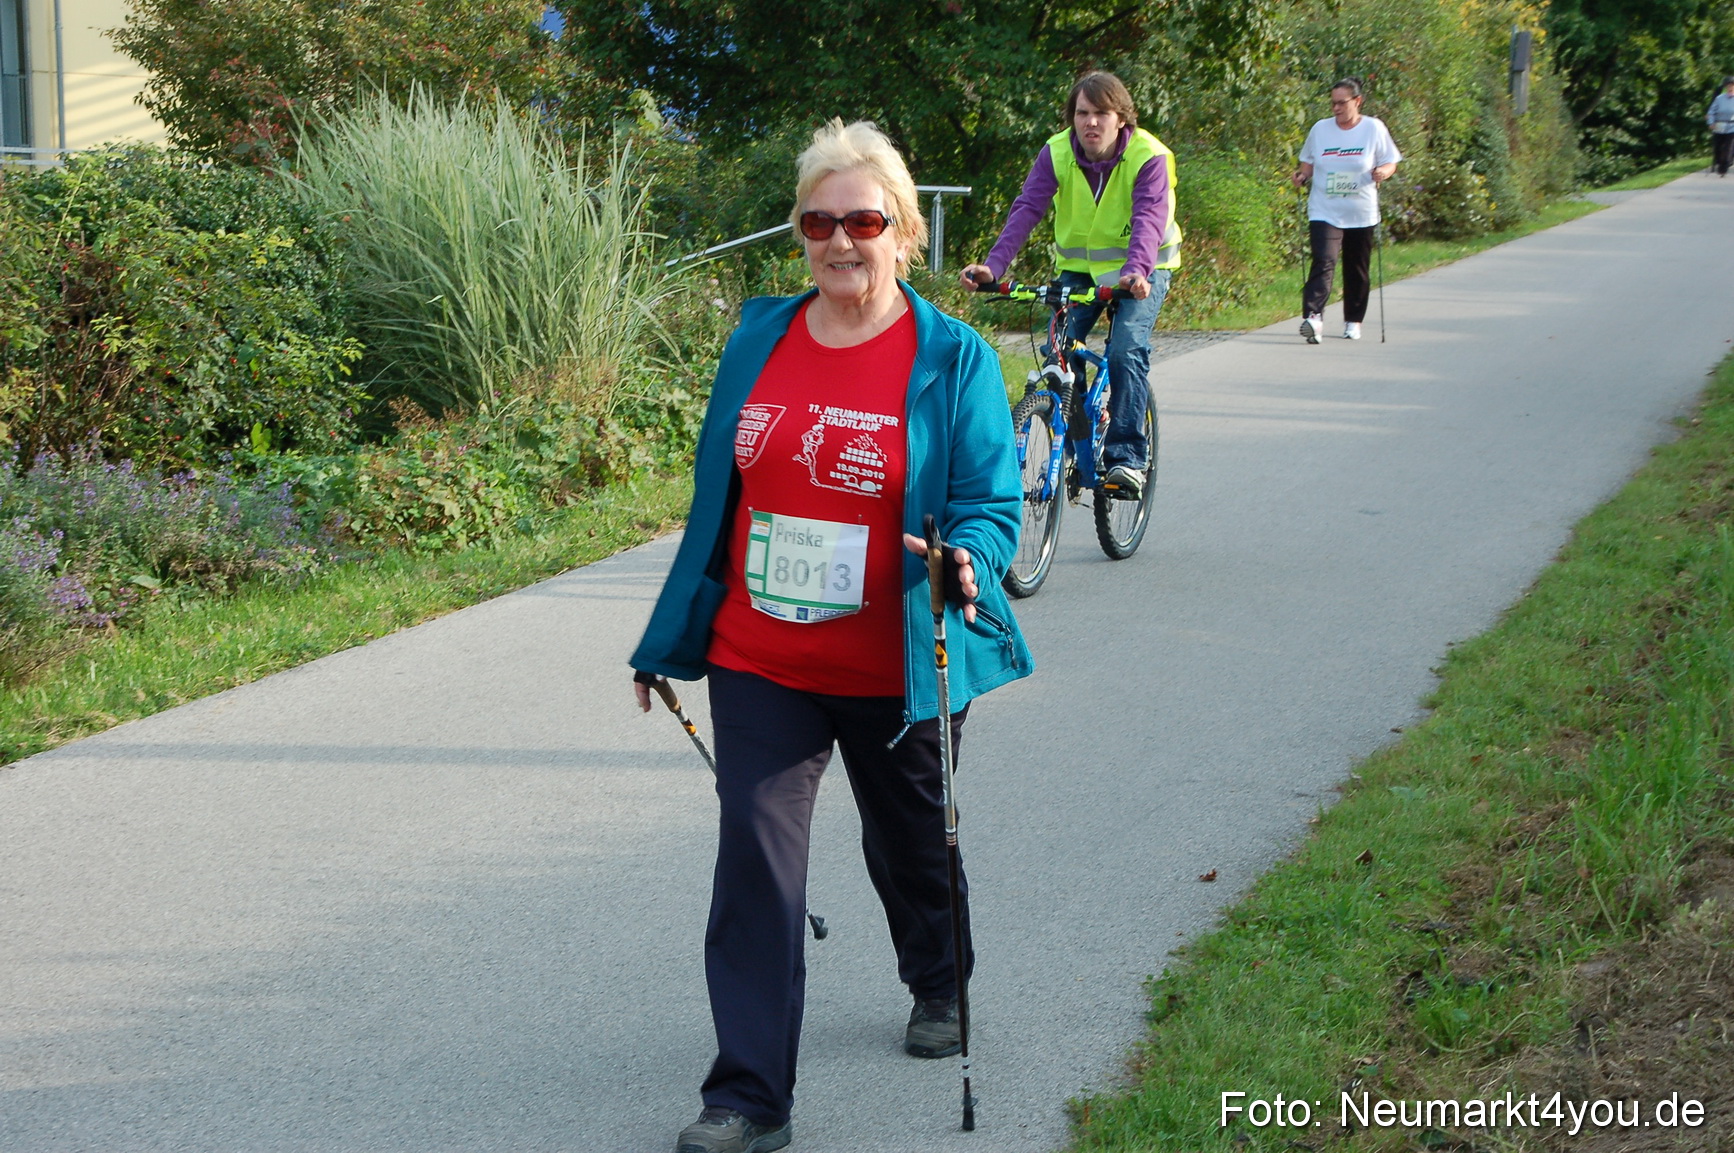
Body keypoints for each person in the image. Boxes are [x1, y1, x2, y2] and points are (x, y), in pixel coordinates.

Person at [629, 118, 1033, 1153]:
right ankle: (748, 1097)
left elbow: (992, 502)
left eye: (863, 220)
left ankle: (938, 978)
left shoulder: (953, 357)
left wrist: (966, 559)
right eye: (818, 222)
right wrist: (668, 636)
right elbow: (717, 503)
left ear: (904, 230)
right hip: (761, 655)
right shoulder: (758, 339)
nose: (840, 240)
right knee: (756, 865)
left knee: (910, 838)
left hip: (895, 661)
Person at [959, 70, 1180, 500]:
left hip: (1143, 269)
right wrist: (993, 267)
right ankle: (1077, 442)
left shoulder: (1148, 156)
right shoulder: (1057, 152)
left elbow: (1149, 218)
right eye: (1082, 113)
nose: (1090, 122)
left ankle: (1127, 458)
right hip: (1080, 270)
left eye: (1101, 113)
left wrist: (1136, 270)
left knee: (1125, 349)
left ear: (1121, 119)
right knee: (1059, 350)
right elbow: (1028, 208)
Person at [1292, 78, 1402, 342]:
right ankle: (1313, 319)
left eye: (1342, 103)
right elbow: (1308, 162)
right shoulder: (1320, 129)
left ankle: (1353, 320)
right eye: (1333, 103)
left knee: (1356, 268)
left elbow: (1391, 161)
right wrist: (1302, 176)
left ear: (1357, 101)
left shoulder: (1373, 128)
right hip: (1324, 209)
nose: (1336, 109)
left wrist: (1383, 172)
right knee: (1323, 261)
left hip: (1360, 211)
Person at [1707, 76, 1734, 177]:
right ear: (1725, 87)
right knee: (1718, 147)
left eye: (1732, 85)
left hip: (1732, 126)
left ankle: (1724, 167)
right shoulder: (1719, 98)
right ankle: (1719, 162)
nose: (1730, 87)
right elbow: (1711, 112)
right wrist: (1711, 122)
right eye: (1728, 86)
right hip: (1719, 125)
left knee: (1728, 147)